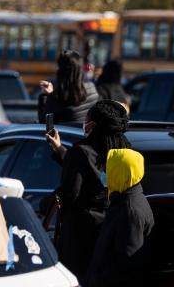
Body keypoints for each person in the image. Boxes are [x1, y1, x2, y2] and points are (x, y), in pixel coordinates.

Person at [46, 100, 131, 280]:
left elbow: (71, 193)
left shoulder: (82, 151)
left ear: (93, 124)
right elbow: (94, 172)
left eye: (87, 119)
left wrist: (48, 201)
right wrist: (60, 150)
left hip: (82, 233)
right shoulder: (124, 150)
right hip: (115, 227)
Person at [85, 149, 154, 287]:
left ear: (120, 173)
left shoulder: (130, 210)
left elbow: (126, 266)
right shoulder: (125, 200)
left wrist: (99, 279)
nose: (104, 174)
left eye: (108, 170)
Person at [38, 49, 99, 124]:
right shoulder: (92, 88)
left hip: (65, 135)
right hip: (84, 134)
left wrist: (46, 96)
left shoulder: (57, 97)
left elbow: (44, 123)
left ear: (61, 71)